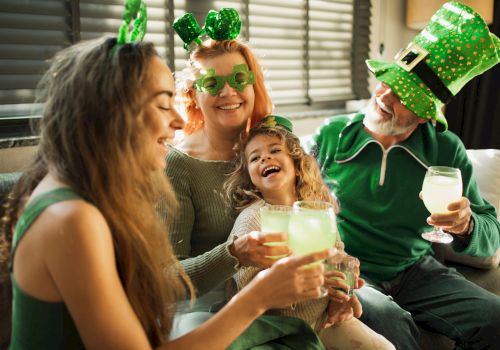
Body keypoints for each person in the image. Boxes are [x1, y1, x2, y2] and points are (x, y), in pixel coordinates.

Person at [0, 7, 335, 349]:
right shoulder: (72, 219)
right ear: (114, 113)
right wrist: (257, 299)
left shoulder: (83, 196)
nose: (178, 120)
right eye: (163, 104)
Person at [307, 2, 500, 349]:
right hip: (350, 268)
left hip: (415, 270)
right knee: (388, 323)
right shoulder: (332, 135)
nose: (384, 95)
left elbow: (492, 236)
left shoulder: (446, 150)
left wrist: (467, 224)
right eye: (387, 82)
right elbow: (291, 203)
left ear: (427, 115)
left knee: (496, 318)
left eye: (403, 95)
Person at [162, 9, 294, 333]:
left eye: (238, 79)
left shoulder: (273, 147)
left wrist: (338, 277)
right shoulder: (177, 164)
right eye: (212, 83)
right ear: (193, 94)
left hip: (280, 291)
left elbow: (313, 209)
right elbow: (165, 278)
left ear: (253, 85)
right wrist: (234, 254)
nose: (228, 93)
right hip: (207, 309)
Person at [223, 115, 395, 350]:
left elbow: (337, 255)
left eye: (275, 150)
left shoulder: (317, 210)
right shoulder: (253, 217)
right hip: (273, 327)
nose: (265, 157)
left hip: (321, 320)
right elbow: (243, 281)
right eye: (255, 158)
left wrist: (343, 285)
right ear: (251, 178)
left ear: (296, 163)